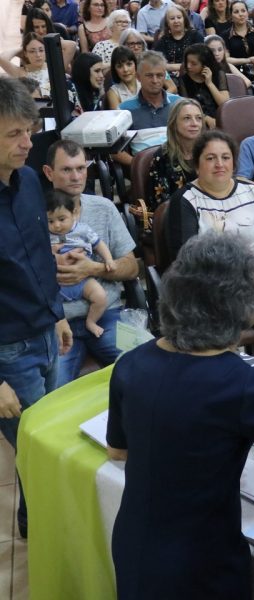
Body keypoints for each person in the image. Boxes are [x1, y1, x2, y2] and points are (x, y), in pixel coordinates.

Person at [107, 231, 254, 600]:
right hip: (202, 561)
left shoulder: (130, 364)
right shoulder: (241, 385)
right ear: (240, 307)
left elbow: (118, 451)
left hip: (133, 542)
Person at [0, 78, 72, 539]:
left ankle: (41, 519)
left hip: (45, 330)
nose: (28, 143)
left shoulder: (28, 180)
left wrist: (57, 312)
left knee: (44, 443)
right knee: (38, 448)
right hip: (8, 351)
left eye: (29, 131)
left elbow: (39, 255)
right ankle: (47, 530)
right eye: (14, 134)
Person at [42, 139, 138, 385]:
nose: (76, 177)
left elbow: (132, 267)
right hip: (58, 322)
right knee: (53, 392)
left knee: (149, 367)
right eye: (67, 169)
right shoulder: (36, 215)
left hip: (108, 314)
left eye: (81, 168)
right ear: (49, 172)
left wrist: (94, 268)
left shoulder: (104, 208)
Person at [167, 129, 254, 269]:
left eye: (226, 157)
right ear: (197, 166)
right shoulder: (185, 199)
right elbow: (185, 259)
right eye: (210, 158)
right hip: (212, 279)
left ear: (234, 164)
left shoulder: (253, 192)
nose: (219, 164)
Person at [47, 190, 116, 338]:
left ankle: (91, 322)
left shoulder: (82, 229)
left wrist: (109, 259)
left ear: (73, 214)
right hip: (57, 283)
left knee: (100, 297)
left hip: (84, 281)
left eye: (62, 219)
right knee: (46, 304)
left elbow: (99, 244)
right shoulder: (45, 235)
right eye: (50, 221)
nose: (57, 225)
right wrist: (52, 254)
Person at [116, 51, 182, 164]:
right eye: (149, 75)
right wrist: (138, 166)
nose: (155, 81)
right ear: (138, 77)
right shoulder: (124, 110)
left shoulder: (179, 105)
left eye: (159, 75)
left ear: (165, 76)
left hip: (177, 164)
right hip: (143, 167)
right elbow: (115, 151)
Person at [147, 98, 204, 210]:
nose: (195, 124)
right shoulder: (162, 157)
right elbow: (162, 205)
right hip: (178, 214)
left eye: (198, 118)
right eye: (187, 118)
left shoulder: (209, 151)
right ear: (174, 123)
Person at [180, 43, 229, 128]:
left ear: (205, 64)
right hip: (196, 120)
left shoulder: (218, 74)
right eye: (187, 62)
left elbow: (224, 104)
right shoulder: (184, 80)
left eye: (193, 63)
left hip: (220, 117)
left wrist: (209, 83)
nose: (188, 66)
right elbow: (186, 107)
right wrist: (205, 118)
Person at [154, 3, 204, 82]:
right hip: (168, 79)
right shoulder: (162, 41)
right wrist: (180, 67)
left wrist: (178, 69)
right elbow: (157, 65)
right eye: (172, 18)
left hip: (194, 76)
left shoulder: (195, 36)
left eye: (179, 17)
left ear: (184, 19)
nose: (176, 21)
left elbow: (200, 61)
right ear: (167, 23)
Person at [225, 1, 254, 79]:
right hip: (238, 74)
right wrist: (247, 60)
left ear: (247, 13)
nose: (241, 14)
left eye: (243, 11)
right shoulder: (226, 35)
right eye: (236, 12)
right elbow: (226, 60)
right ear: (231, 16)